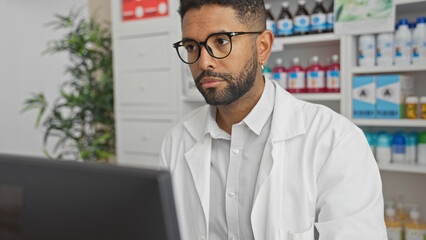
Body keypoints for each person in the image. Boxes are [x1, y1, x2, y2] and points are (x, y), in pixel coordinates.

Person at [160, 0, 387, 239]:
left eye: (221, 41)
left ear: (263, 47)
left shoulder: (336, 140)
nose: (203, 62)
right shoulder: (176, 142)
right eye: (191, 47)